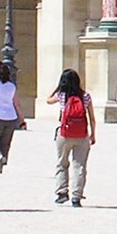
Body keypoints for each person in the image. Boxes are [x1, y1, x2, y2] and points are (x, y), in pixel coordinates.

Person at [46, 68, 96, 206]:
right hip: (82, 134)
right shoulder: (85, 96)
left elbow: (47, 100)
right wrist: (93, 134)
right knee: (79, 166)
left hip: (64, 134)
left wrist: (57, 88)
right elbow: (92, 118)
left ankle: (62, 192)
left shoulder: (61, 95)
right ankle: (76, 196)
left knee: (62, 163)